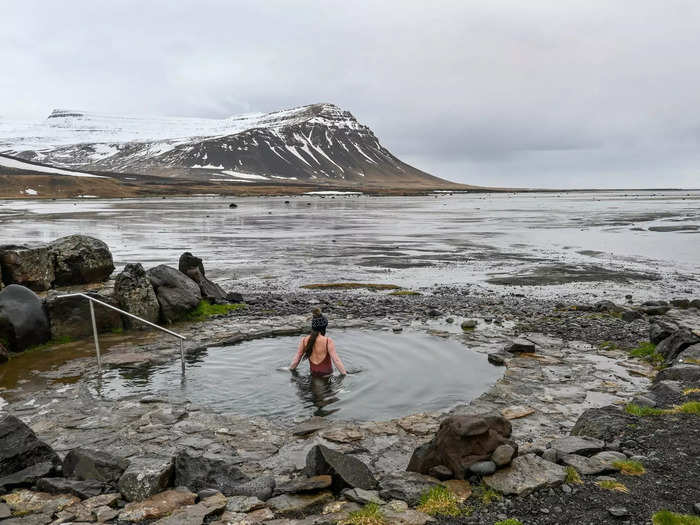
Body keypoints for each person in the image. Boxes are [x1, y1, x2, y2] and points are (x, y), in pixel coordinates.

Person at [289, 309, 347, 376]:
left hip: (313, 375)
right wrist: (344, 374)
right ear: (324, 327)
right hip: (327, 375)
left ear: (313, 326)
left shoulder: (304, 340)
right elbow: (336, 360)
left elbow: (297, 359)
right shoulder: (328, 341)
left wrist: (290, 369)